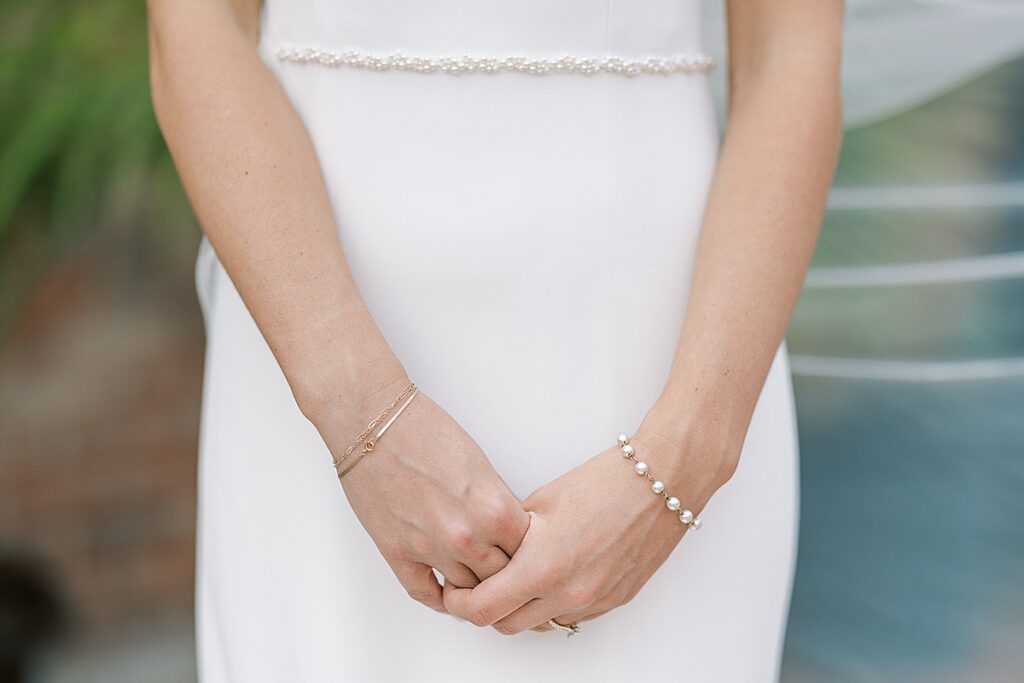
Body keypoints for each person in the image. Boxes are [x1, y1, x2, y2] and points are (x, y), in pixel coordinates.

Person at [147, 0, 843, 680]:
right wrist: (362, 418)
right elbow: (196, 22)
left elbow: (791, 50)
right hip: (311, 348)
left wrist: (684, 460)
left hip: (669, 372)